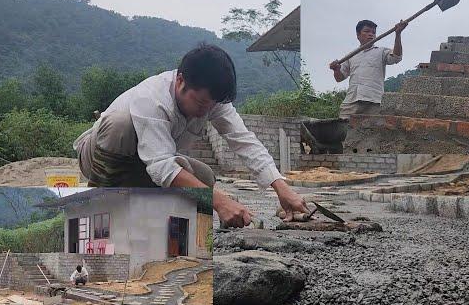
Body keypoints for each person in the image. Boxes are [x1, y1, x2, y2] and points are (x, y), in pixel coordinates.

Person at [73, 43, 310, 227]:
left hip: (143, 165)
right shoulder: (152, 98)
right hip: (98, 157)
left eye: (211, 105)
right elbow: (163, 166)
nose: (204, 111)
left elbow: (244, 141)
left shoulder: (211, 99)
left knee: (204, 178)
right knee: (120, 124)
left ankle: (143, 209)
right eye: (200, 103)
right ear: (180, 81)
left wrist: (282, 188)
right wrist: (219, 201)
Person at [329, 19, 408, 119]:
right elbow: (339, 78)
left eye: (373, 32)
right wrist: (336, 69)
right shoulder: (351, 56)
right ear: (358, 35)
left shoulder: (381, 52)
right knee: (343, 128)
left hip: (373, 102)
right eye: (367, 31)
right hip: (351, 101)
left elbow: (396, 57)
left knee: (371, 132)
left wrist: (398, 34)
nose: (371, 34)